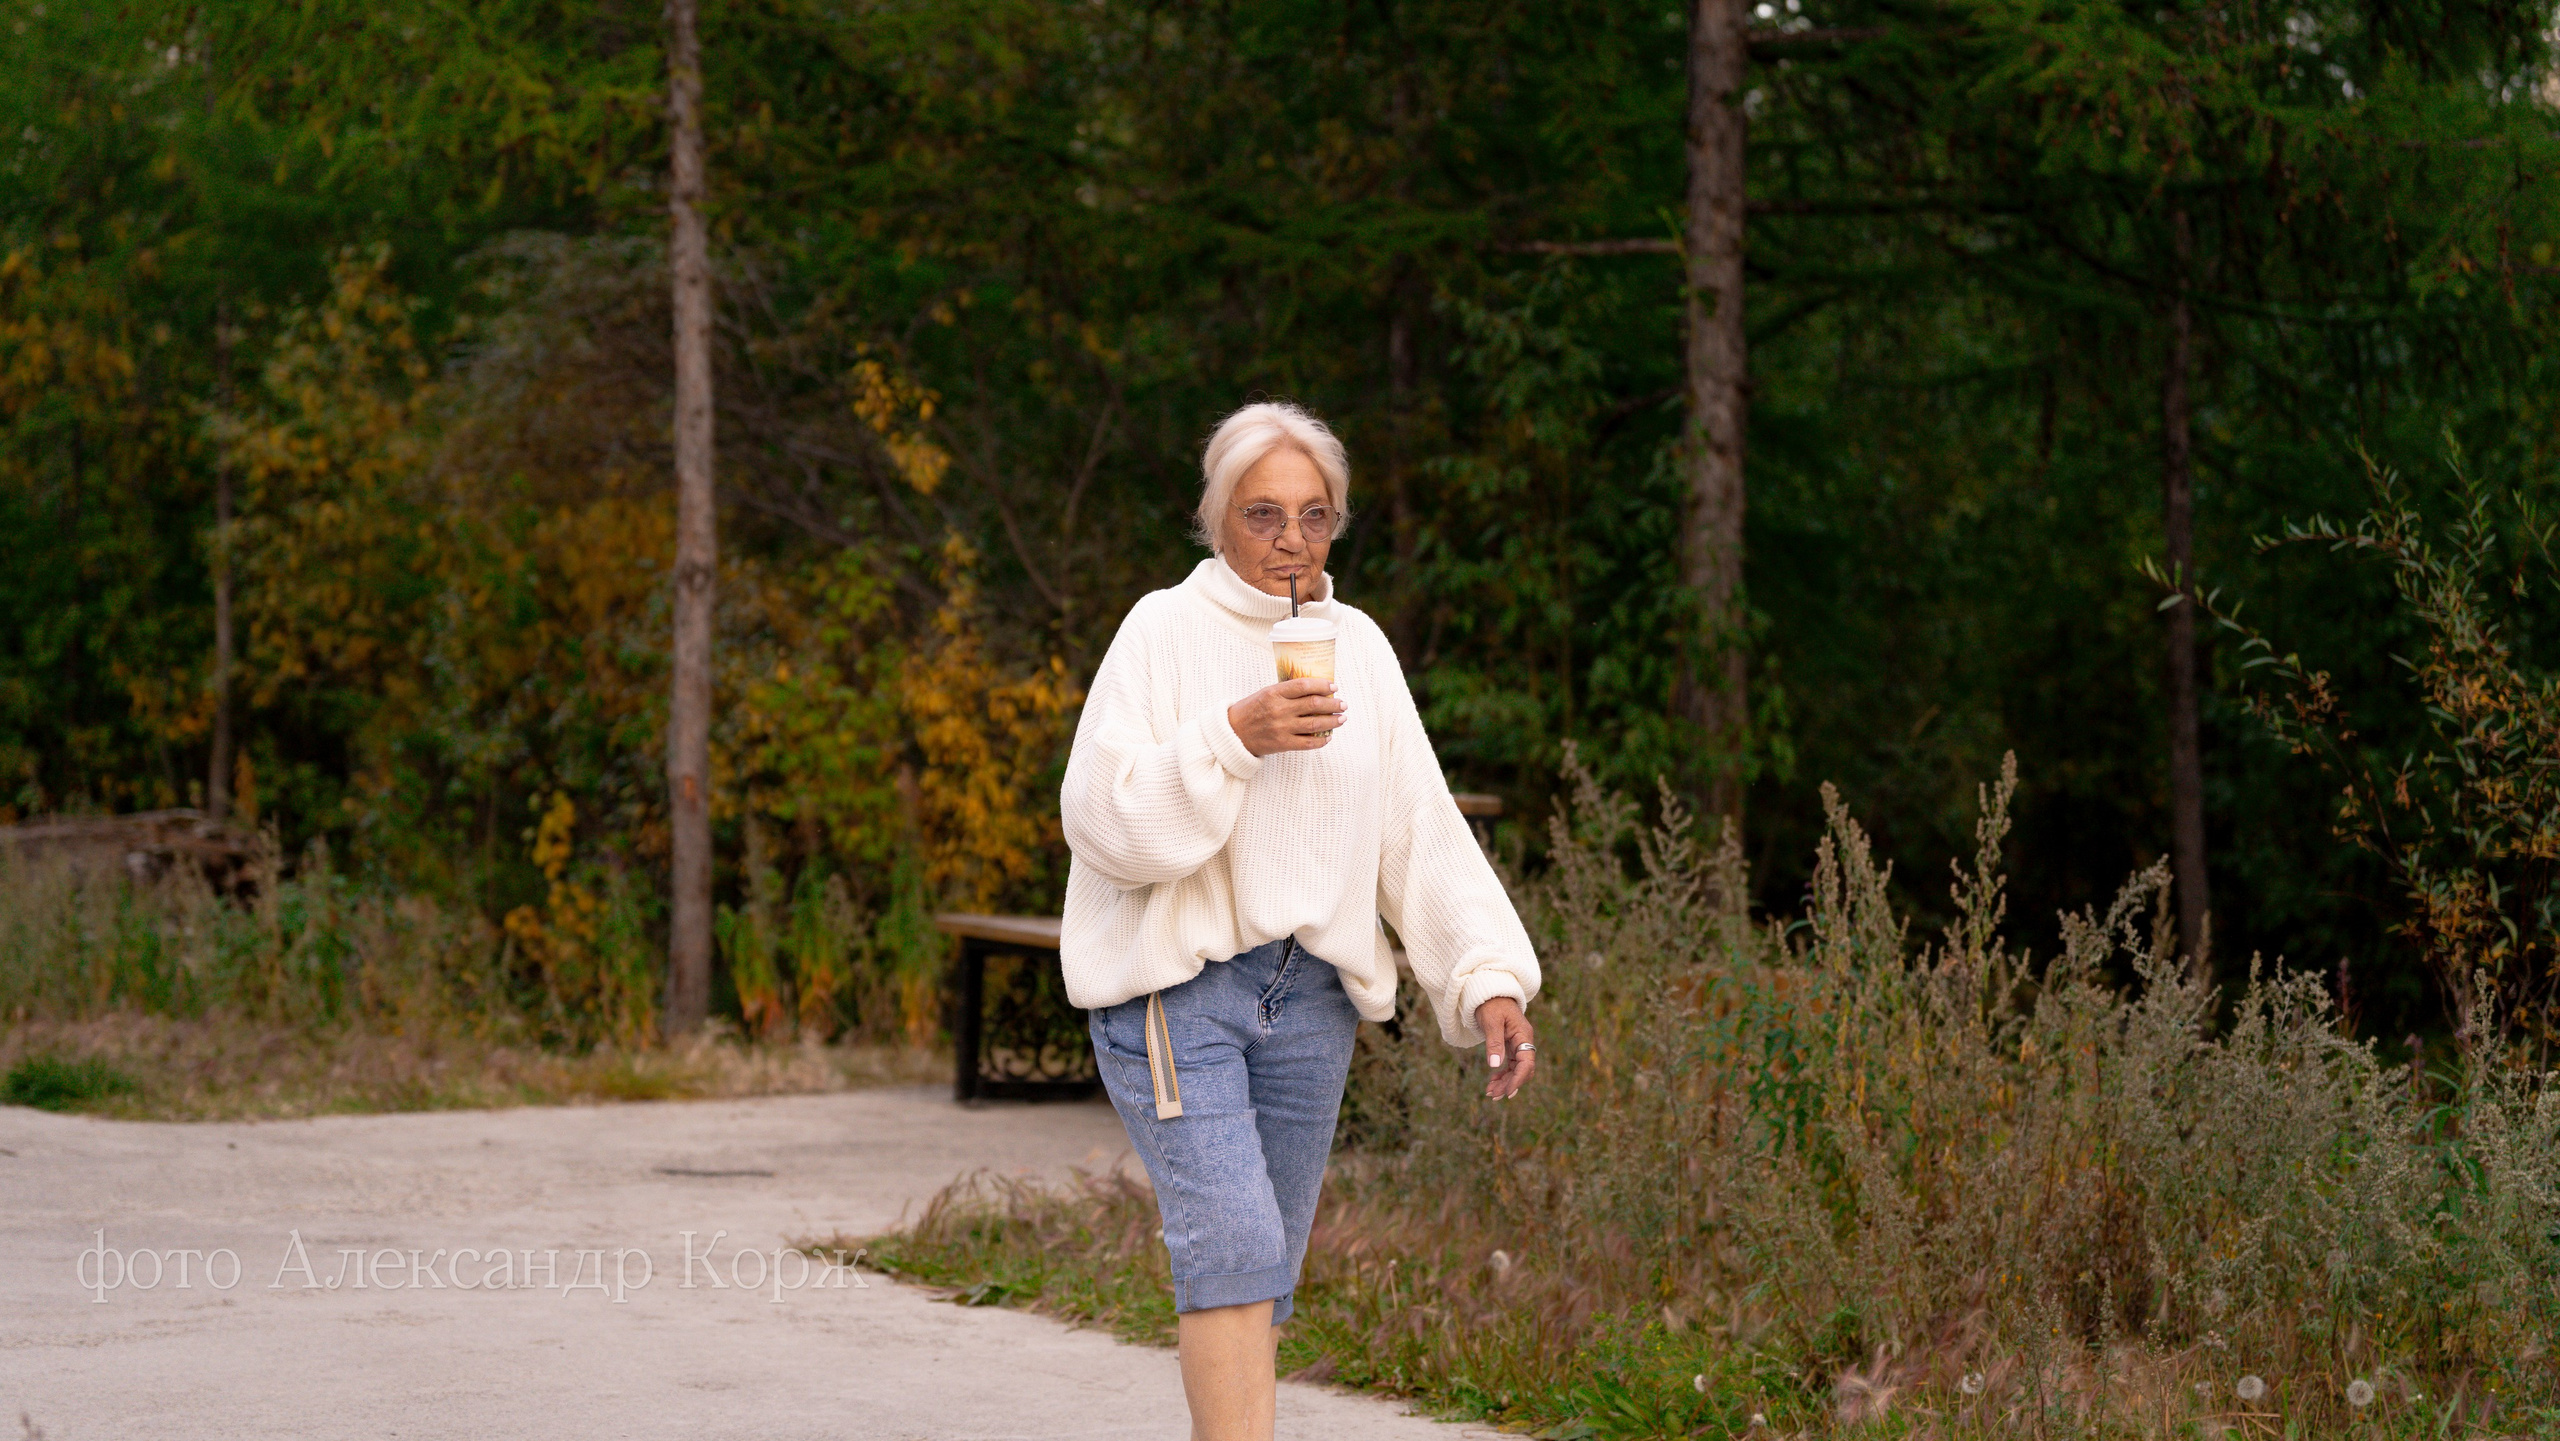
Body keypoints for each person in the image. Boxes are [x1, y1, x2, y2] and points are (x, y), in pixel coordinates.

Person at [1060, 400, 1543, 1441]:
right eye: (1261, 513)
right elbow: (1100, 822)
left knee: (1261, 1264)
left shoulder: (1356, 647)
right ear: (1216, 519)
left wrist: (1487, 974)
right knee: (1230, 1242)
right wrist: (1232, 737)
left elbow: (1412, 824)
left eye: (1314, 515)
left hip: (1312, 997)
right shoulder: (1162, 630)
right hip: (1177, 986)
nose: (1289, 540)